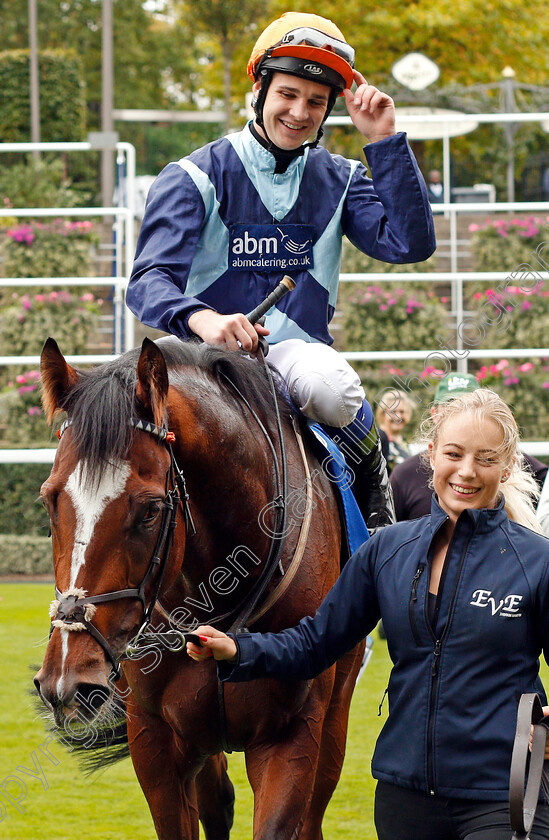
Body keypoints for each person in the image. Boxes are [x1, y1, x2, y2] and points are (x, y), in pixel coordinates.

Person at [188, 389, 549, 840]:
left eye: (486, 458)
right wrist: (236, 648)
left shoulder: (536, 562)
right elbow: (315, 643)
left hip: (503, 795)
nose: (467, 471)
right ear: (432, 454)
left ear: (509, 464)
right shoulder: (387, 549)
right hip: (405, 795)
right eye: (454, 454)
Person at [125, 11, 436, 531]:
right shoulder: (192, 175)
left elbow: (410, 244)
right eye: (288, 94)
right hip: (203, 355)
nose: (299, 112)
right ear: (261, 88)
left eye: (316, 102)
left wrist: (384, 140)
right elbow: (147, 280)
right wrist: (202, 319)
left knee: (332, 388)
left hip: (295, 356)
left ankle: (376, 512)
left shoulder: (342, 179)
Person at [390, 371, 548, 521]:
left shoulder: (508, 459)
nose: (466, 472)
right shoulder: (404, 475)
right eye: (451, 407)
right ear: (434, 413)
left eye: (486, 459)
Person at [375, 389, 413, 474]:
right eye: (393, 412)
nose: (398, 416)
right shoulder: (378, 438)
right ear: (383, 413)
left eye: (402, 412)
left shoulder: (403, 441)